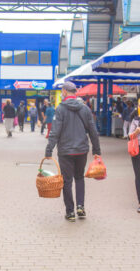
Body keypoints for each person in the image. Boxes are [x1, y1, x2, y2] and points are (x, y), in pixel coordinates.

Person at [45, 81, 101, 222]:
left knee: (67, 181)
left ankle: (70, 212)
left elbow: (55, 131)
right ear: (75, 92)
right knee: (79, 178)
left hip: (65, 151)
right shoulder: (85, 109)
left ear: (64, 91)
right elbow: (93, 131)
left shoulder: (61, 109)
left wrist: (49, 149)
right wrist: (96, 149)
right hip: (81, 150)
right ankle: (80, 207)